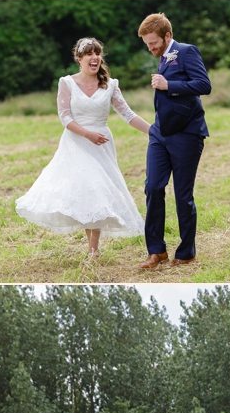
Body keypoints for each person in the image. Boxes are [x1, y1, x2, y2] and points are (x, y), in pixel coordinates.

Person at [16, 37, 149, 258]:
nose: (94, 57)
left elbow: (128, 114)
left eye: (97, 53)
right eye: (89, 54)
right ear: (79, 58)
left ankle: (92, 250)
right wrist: (87, 134)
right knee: (88, 189)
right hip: (77, 142)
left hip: (102, 144)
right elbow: (65, 117)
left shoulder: (110, 84)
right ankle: (93, 250)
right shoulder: (66, 83)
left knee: (96, 190)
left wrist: (152, 131)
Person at [137, 13, 212, 269]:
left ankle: (186, 251)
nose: (151, 48)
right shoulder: (162, 58)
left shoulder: (187, 51)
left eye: (153, 43)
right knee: (153, 187)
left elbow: (204, 85)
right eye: (147, 44)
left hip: (187, 134)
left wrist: (169, 84)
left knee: (182, 195)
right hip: (160, 133)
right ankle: (156, 251)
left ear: (167, 36)